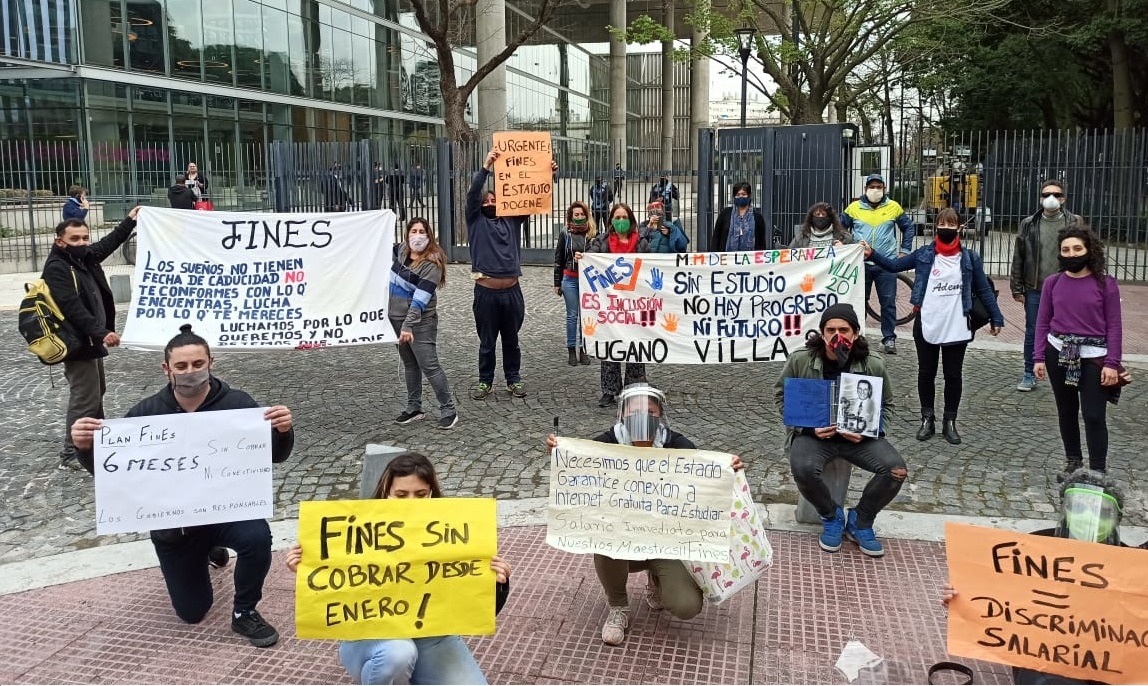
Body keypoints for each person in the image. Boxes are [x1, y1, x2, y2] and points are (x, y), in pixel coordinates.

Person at [70, 325, 294, 647]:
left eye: (198, 364)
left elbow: (275, 456)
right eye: (181, 366)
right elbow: (115, 473)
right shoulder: (145, 414)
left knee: (257, 536)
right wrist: (86, 447)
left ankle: (244, 612)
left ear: (210, 363)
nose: (191, 372)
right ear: (166, 369)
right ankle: (205, 553)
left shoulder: (240, 404)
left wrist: (283, 431)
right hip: (176, 528)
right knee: (192, 612)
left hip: (224, 513)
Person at [544, 384, 745, 646]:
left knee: (686, 606)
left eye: (649, 411)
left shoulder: (678, 446)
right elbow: (579, 466)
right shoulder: (606, 445)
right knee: (602, 540)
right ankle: (618, 607)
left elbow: (705, 483)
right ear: (622, 415)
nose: (642, 418)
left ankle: (657, 579)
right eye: (634, 411)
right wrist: (560, 453)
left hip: (668, 542)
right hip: (621, 540)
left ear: (660, 414)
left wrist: (730, 469)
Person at [285, 452, 511, 684]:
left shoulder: (453, 534)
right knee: (398, 654)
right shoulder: (356, 532)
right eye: (401, 495)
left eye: (421, 494)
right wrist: (308, 568)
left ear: (432, 494)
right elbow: (337, 591)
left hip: (431, 634)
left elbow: (473, 611)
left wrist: (497, 583)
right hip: (372, 635)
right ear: (386, 493)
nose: (411, 502)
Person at [941, 469, 1132, 685]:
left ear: (1117, 517)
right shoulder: (1029, 552)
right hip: (1044, 657)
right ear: (1065, 510)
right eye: (1079, 508)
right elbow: (996, 605)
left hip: (1104, 662)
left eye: (1100, 511)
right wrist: (961, 601)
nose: (1089, 517)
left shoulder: (1133, 568)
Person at [774, 303, 907, 557]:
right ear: (822, 332)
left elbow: (887, 404)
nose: (838, 335)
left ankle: (861, 519)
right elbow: (781, 397)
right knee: (802, 467)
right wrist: (807, 429)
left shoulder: (873, 364)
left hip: (858, 438)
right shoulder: (801, 359)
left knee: (895, 470)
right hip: (814, 435)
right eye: (831, 329)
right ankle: (831, 515)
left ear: (855, 333)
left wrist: (870, 431)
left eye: (844, 329)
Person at [862, 207, 1004, 445]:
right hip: (927, 322)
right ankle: (927, 418)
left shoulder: (970, 258)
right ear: (936, 226)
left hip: (957, 324)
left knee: (953, 375)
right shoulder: (924, 254)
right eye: (942, 224)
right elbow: (895, 266)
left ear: (959, 228)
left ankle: (950, 421)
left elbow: (983, 289)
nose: (946, 229)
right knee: (926, 372)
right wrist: (872, 254)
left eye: (951, 225)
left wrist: (996, 317)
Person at [45, 207, 140, 470]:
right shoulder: (58, 267)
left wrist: (129, 221)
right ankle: (71, 453)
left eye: (85, 238)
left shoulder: (83, 257)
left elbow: (107, 244)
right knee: (85, 396)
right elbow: (71, 307)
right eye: (75, 239)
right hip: (76, 343)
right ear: (60, 241)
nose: (82, 243)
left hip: (90, 341)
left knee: (97, 392)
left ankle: (97, 441)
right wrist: (102, 332)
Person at [467, 148, 558, 400]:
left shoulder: (512, 219)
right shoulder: (475, 221)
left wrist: (546, 174)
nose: (489, 203)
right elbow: (474, 194)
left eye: (493, 200)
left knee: (512, 340)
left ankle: (513, 379)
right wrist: (486, 166)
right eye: (486, 201)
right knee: (487, 343)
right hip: (486, 292)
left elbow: (532, 197)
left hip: (512, 292)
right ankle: (485, 381)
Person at [1033, 226, 1122, 480]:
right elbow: (1043, 321)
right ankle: (1073, 460)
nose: (1072, 254)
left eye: (1077, 249)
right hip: (1058, 352)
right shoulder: (1053, 283)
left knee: (1094, 414)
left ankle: (1097, 470)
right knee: (1066, 410)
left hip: (1094, 356)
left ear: (1089, 250)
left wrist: (1112, 363)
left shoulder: (1106, 285)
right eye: (1066, 250)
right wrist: (1038, 357)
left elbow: (1115, 326)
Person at [1011, 179, 1083, 392]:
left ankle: (1070, 372)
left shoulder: (1075, 222)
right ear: (1040, 198)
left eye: (1056, 194)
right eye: (1046, 194)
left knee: (1072, 330)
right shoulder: (1029, 223)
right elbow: (1019, 257)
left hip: (1068, 288)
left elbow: (1085, 251)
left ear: (1063, 198)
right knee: (1033, 331)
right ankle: (1029, 372)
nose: (1050, 198)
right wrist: (1017, 287)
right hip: (1035, 288)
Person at [390, 218, 457, 429]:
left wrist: (408, 326)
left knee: (430, 365)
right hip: (396, 318)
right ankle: (414, 408)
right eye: (413, 231)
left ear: (428, 236)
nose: (417, 235)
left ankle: (449, 410)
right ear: (407, 233)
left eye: (422, 231)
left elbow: (420, 299)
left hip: (418, 322)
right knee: (410, 364)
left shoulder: (431, 264)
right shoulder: (400, 251)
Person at [840, 173, 916, 355]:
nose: (875, 190)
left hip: (886, 263)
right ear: (865, 189)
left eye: (879, 187)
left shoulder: (894, 207)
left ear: (884, 189)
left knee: (888, 302)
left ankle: (889, 339)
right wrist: (845, 246)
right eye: (872, 187)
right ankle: (856, 338)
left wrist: (904, 251)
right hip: (860, 263)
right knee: (858, 303)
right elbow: (840, 228)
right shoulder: (853, 208)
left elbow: (908, 227)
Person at [589, 202, 649, 407]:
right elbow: (591, 257)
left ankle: (634, 386)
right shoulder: (602, 241)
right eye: (617, 217)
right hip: (611, 304)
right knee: (610, 344)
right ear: (611, 221)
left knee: (636, 345)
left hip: (635, 303)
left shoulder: (641, 243)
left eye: (625, 218)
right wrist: (583, 257)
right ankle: (609, 390)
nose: (621, 221)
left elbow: (651, 267)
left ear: (631, 220)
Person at [552, 200, 596, 366]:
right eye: (575, 214)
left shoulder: (592, 233)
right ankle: (572, 349)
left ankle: (584, 349)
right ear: (571, 216)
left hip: (587, 280)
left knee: (586, 316)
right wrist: (557, 283)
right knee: (572, 316)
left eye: (581, 214)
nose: (579, 217)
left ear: (586, 215)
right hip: (569, 279)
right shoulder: (565, 233)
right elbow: (558, 259)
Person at [711, 182, 768, 251]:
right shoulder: (725, 214)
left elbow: (761, 242)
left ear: (749, 195)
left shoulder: (758, 217)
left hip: (750, 259)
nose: (741, 196)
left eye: (743, 194)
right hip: (727, 259)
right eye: (738, 194)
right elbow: (716, 237)